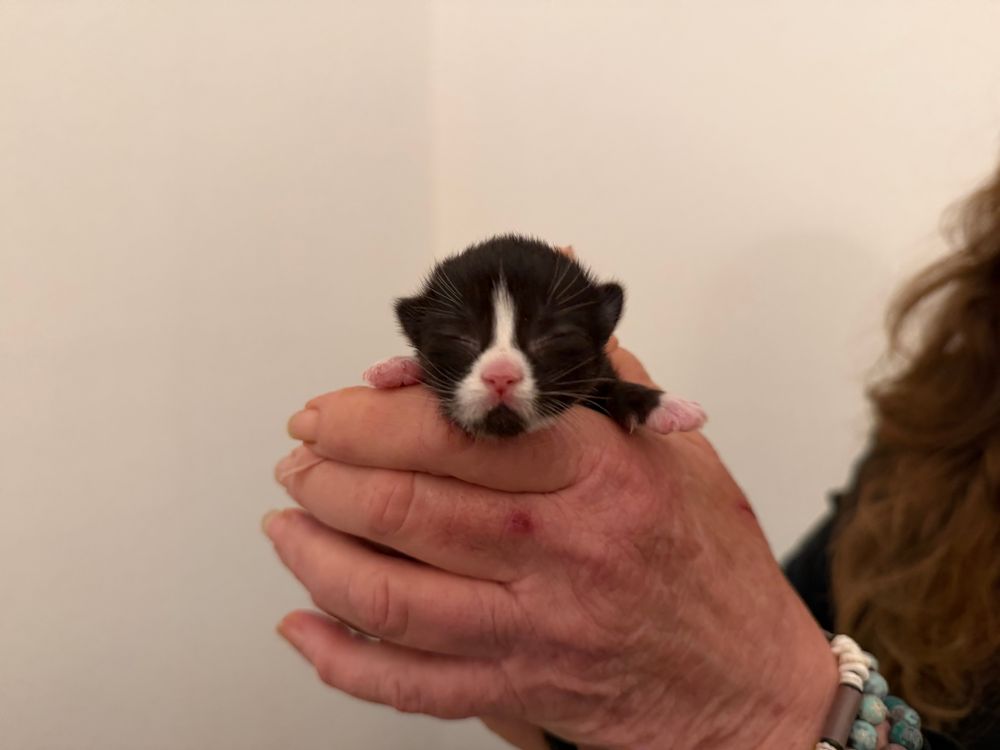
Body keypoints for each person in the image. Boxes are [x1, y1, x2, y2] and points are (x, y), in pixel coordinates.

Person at [265, 160, 1000, 750]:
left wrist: (765, 717)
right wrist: (573, 703)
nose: (504, 365)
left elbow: (759, 672)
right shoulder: (944, 430)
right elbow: (795, 621)